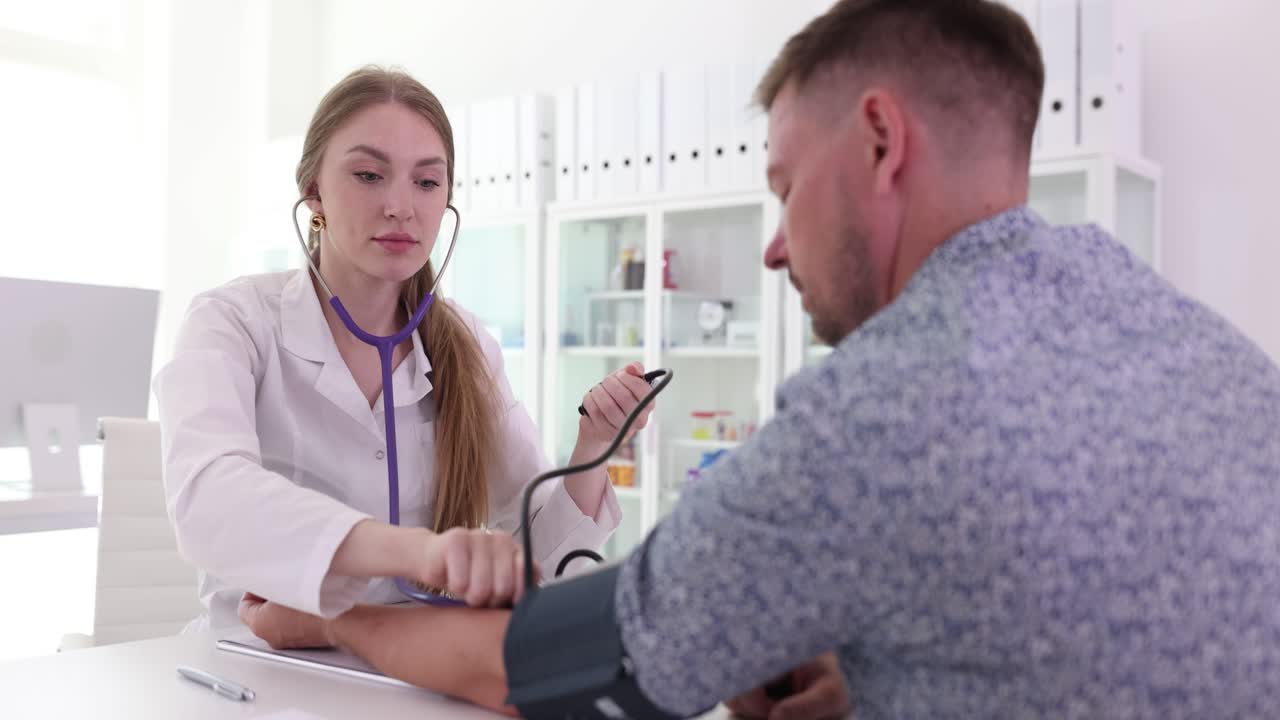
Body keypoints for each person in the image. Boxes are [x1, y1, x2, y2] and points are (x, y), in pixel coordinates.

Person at [240, 1, 1280, 717]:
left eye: (782, 186)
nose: (774, 243)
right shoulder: (1207, 350)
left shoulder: (880, 405)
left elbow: (543, 672)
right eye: (369, 174)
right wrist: (866, 663)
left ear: (879, 141)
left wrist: (347, 616)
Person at [154, 66, 655, 631]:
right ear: (312, 189)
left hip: (414, 671)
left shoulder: (466, 345)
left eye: (426, 182)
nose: (401, 206)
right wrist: (417, 553)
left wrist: (593, 447)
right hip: (253, 668)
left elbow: (539, 547)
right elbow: (209, 499)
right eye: (369, 175)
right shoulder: (232, 322)